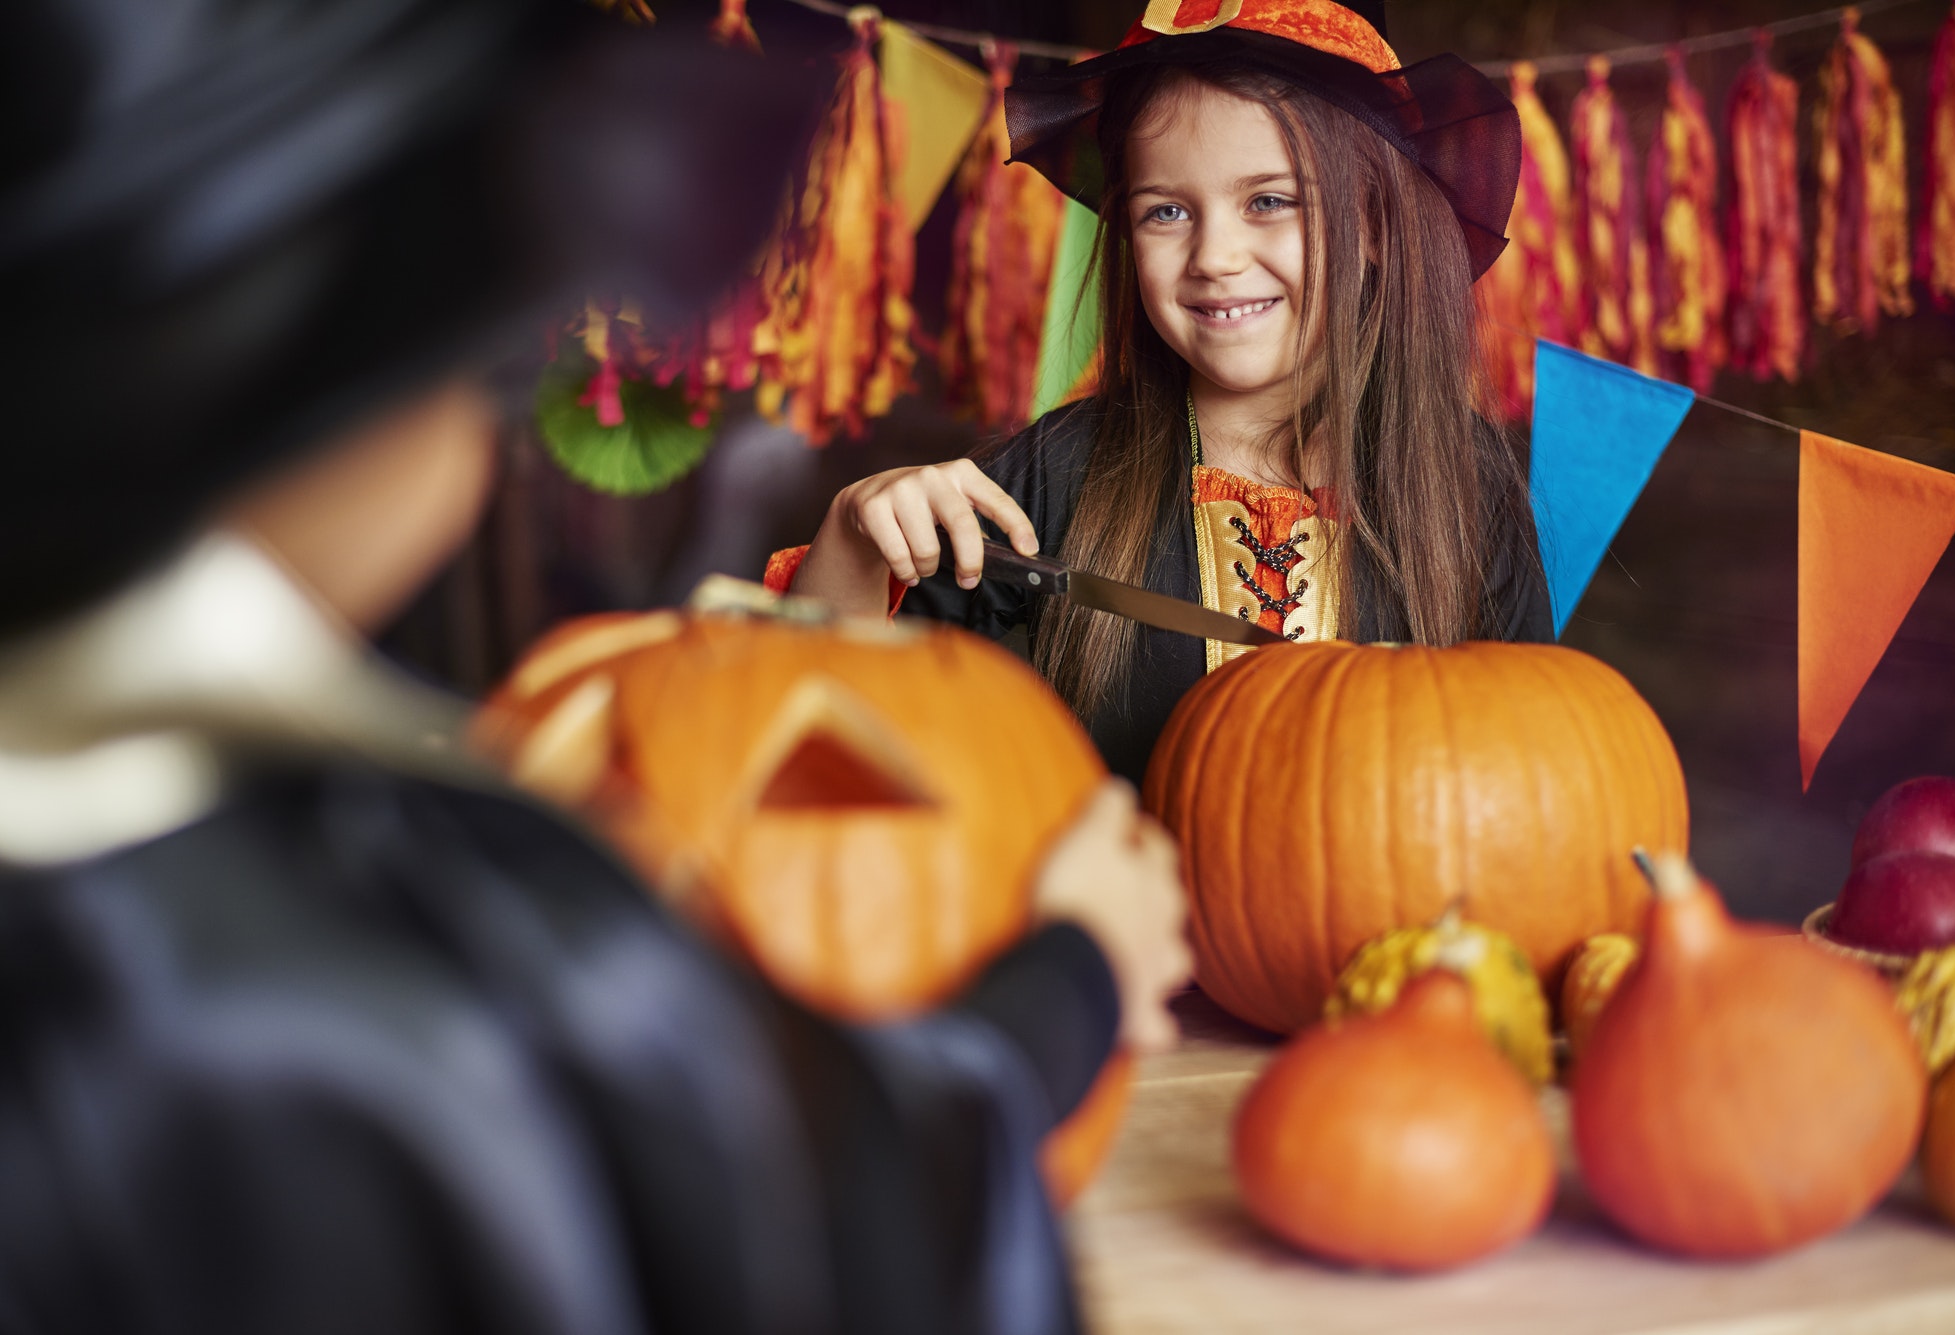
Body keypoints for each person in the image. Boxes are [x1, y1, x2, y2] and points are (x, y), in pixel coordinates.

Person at [0, 3, 1188, 1332]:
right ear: (329, 375)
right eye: (483, 355)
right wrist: (1075, 970)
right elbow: (807, 1217)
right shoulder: (389, 973)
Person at [782, 0, 1553, 784]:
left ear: (1379, 226)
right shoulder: (1059, 476)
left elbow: (1528, 782)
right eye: (1167, 211)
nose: (1214, 255)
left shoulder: (1471, 490)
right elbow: (820, 745)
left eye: (1270, 201)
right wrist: (852, 537)